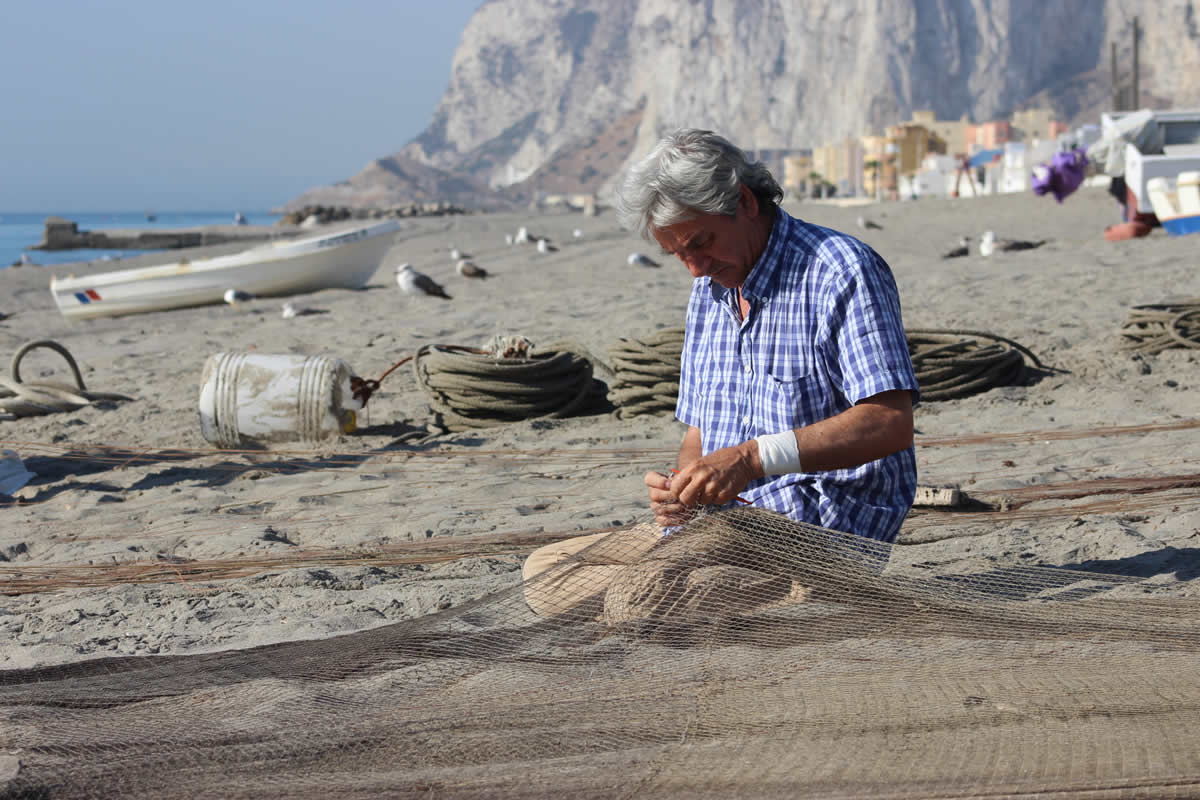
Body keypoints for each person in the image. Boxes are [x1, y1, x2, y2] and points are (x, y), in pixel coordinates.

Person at [521, 128, 918, 617]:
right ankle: (680, 594)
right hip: (722, 526)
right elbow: (700, 431)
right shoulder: (710, 290)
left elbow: (889, 422)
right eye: (678, 255)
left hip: (818, 533)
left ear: (746, 203)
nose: (693, 268)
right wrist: (683, 488)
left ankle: (800, 594)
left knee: (635, 601)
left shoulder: (840, 269)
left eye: (701, 243)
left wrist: (751, 460)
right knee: (545, 569)